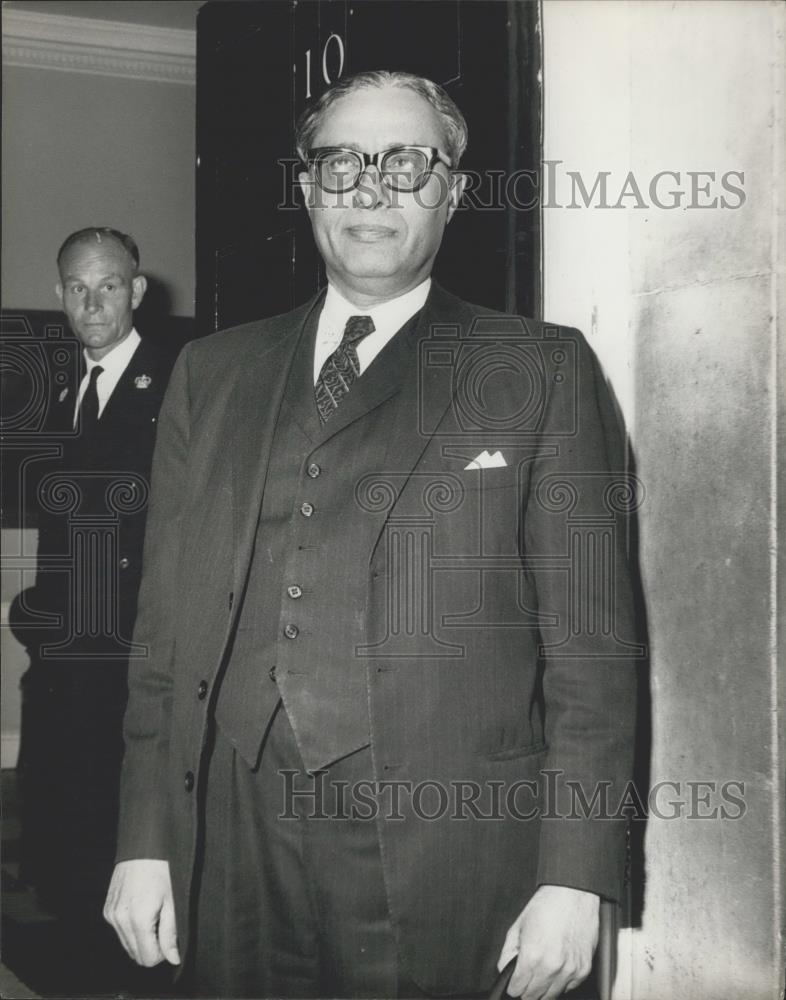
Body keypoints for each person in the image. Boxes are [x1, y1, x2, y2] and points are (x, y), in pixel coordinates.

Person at [104, 73, 639, 999]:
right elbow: (163, 634)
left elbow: (594, 658)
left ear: (454, 191)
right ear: (307, 187)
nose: (370, 187)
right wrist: (146, 841)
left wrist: (576, 871)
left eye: (408, 162)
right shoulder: (213, 373)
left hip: (450, 846)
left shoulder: (540, 369)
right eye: (342, 161)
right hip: (231, 833)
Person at [16, 227, 176, 987]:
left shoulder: (177, 378)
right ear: (59, 295)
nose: (92, 303)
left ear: (137, 291)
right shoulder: (62, 390)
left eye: (108, 285)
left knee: (131, 843)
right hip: (67, 658)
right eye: (77, 288)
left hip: (130, 655)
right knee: (68, 837)